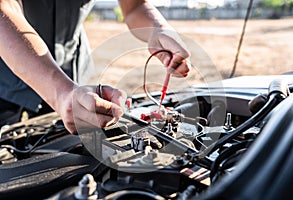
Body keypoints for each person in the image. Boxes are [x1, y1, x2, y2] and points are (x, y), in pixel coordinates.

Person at [0, 0, 190, 134]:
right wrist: (60, 92)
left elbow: (135, 6)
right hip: (5, 76)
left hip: (70, 74)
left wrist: (159, 29)